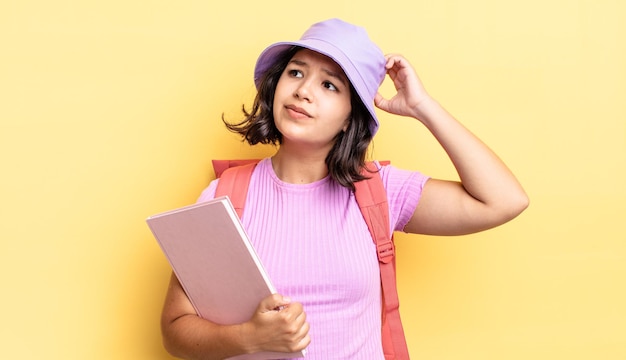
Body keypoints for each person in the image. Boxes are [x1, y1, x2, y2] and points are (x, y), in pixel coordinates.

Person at [160, 18, 528, 359]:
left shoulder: (379, 192)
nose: (303, 90)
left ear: (350, 116)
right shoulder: (223, 195)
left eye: (329, 84)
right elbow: (175, 330)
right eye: (296, 72)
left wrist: (422, 106)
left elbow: (504, 200)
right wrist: (250, 337)